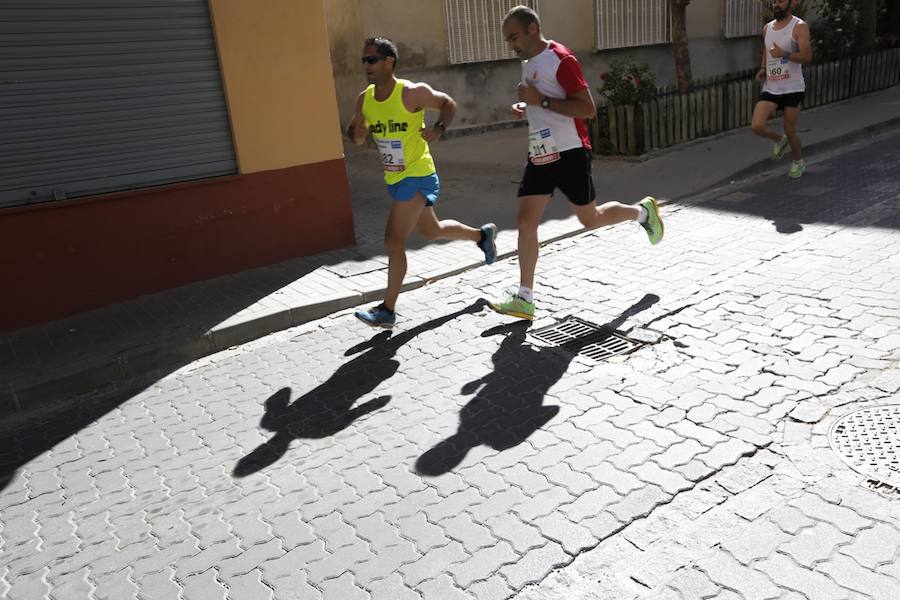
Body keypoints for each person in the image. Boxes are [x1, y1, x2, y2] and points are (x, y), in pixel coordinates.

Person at [488, 6, 664, 321]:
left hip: (570, 152)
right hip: (540, 153)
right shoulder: (529, 63)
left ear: (532, 29)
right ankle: (525, 297)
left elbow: (587, 108)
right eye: (507, 40)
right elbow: (542, 102)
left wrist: (538, 100)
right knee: (526, 222)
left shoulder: (561, 58)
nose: (510, 45)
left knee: (590, 219)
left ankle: (642, 212)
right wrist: (527, 107)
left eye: (513, 37)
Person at [346, 37, 498, 328]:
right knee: (431, 231)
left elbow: (447, 104)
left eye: (371, 60)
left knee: (393, 239)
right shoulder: (364, 99)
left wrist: (439, 128)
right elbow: (355, 134)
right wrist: (358, 133)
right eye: (364, 60)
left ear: (388, 62)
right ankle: (482, 236)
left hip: (418, 175)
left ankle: (387, 310)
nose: (366, 65)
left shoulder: (411, 94)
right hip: (394, 177)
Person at [751, 0, 812, 179]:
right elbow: (766, 50)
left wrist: (784, 54)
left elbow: (807, 56)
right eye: (774, 1)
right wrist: (763, 68)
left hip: (792, 87)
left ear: (792, 3)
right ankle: (779, 140)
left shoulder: (799, 26)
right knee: (756, 125)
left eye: (781, 1)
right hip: (772, 87)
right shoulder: (767, 28)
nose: (776, 4)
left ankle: (798, 160)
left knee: (790, 129)